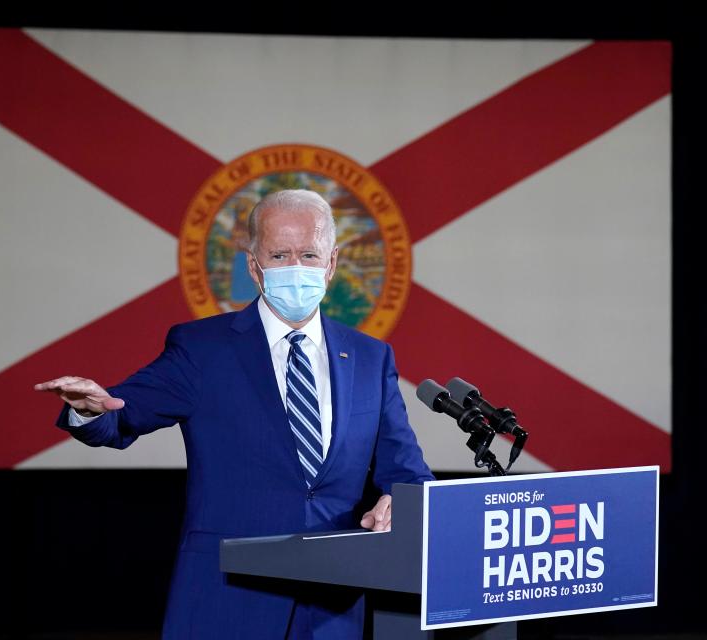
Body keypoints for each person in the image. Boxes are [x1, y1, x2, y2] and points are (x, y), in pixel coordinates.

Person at [35, 189, 434, 639]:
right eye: (279, 255)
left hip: (331, 607)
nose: (295, 268)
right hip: (228, 599)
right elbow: (122, 415)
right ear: (253, 266)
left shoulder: (370, 357)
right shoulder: (202, 348)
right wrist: (91, 410)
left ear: (332, 262)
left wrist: (401, 502)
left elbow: (409, 473)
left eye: (308, 254)